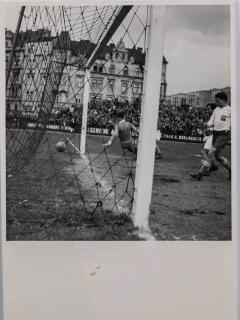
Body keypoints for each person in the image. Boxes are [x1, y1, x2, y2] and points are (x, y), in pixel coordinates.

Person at [190, 91, 231, 181]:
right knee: (217, 156)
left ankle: (200, 173)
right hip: (216, 134)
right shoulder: (216, 110)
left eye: (217, 101)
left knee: (210, 152)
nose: (216, 103)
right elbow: (211, 121)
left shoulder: (230, 110)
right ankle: (231, 170)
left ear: (223, 100)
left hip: (224, 134)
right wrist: (206, 124)